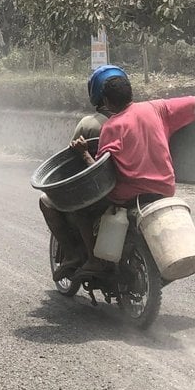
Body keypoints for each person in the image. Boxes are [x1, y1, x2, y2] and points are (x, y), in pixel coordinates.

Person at [68, 72, 195, 279]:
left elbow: (100, 172)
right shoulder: (156, 108)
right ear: (131, 93)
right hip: (164, 189)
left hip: (128, 195)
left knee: (80, 210)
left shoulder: (111, 126)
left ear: (107, 101)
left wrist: (84, 153)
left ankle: (95, 261)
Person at [40, 65, 128, 281]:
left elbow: (70, 158)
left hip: (105, 190)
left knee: (52, 201)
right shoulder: (138, 119)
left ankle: (74, 255)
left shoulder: (89, 124)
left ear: (97, 94)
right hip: (135, 186)